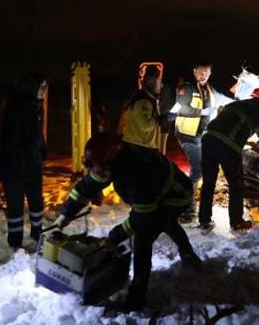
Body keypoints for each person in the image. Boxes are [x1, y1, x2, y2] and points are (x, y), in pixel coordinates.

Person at [57, 133, 201, 312]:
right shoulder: (110, 161)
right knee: (167, 223)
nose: (99, 173)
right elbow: (88, 185)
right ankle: (189, 256)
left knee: (143, 238)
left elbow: (142, 218)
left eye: (101, 169)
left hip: (176, 197)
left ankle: (137, 297)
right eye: (96, 169)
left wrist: (114, 237)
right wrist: (67, 213)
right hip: (158, 194)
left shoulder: (138, 173)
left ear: (113, 162)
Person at [199, 88, 259, 231]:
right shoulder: (258, 114)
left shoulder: (235, 105)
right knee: (236, 185)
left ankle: (204, 220)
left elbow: (226, 123)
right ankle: (236, 222)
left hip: (208, 140)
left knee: (208, 183)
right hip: (227, 146)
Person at [170, 60, 233, 222]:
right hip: (187, 136)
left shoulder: (210, 90)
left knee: (202, 171)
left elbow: (222, 100)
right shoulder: (187, 88)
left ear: (210, 74)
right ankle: (186, 206)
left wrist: (239, 103)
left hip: (201, 137)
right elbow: (180, 108)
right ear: (194, 71)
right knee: (198, 170)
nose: (203, 75)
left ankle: (185, 201)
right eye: (200, 72)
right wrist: (203, 111)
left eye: (206, 73)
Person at [0, 73, 48, 249]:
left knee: (36, 202)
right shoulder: (16, 109)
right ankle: (15, 242)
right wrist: (20, 165)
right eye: (41, 87)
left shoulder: (36, 106)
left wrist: (42, 153)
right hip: (15, 168)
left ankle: (37, 233)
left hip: (33, 165)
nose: (43, 91)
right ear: (31, 88)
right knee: (15, 207)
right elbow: (12, 142)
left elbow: (36, 135)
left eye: (45, 88)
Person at [118, 65, 169, 151]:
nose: (161, 85)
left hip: (141, 145)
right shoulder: (143, 101)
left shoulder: (148, 99)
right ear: (151, 82)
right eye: (159, 81)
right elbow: (146, 125)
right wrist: (163, 119)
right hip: (139, 148)